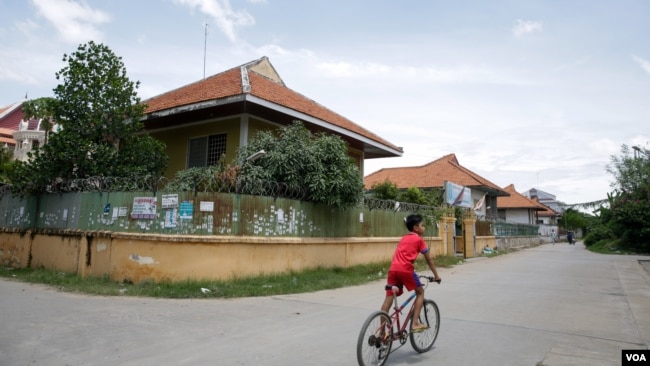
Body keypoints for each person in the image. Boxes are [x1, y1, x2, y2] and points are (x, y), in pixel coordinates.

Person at [381, 214, 441, 332]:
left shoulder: (403, 238)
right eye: (422, 225)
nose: (424, 228)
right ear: (416, 228)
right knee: (420, 292)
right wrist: (436, 276)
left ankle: (381, 332)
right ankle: (415, 323)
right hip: (406, 270)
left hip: (393, 270)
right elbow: (429, 259)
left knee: (389, 298)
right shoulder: (419, 240)